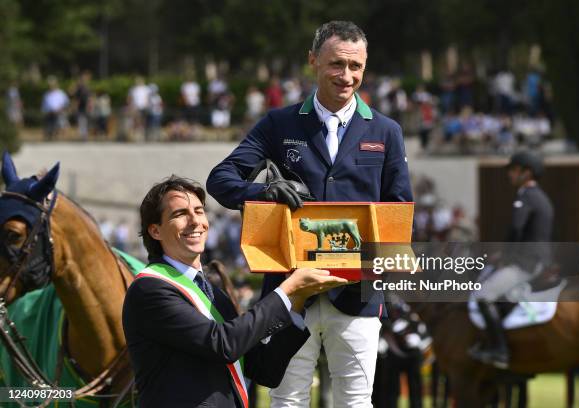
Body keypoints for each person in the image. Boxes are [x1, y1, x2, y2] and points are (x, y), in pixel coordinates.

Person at [206, 20, 413, 407]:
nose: (347, 76)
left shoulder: (387, 131)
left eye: (356, 67)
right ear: (313, 60)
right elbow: (220, 180)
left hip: (358, 296)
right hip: (287, 292)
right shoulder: (277, 123)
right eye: (337, 64)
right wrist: (264, 191)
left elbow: (398, 212)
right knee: (287, 402)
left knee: (355, 403)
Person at [122, 176, 347, 408]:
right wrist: (286, 289)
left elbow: (264, 369)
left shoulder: (213, 293)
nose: (195, 221)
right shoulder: (150, 289)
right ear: (155, 231)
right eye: (180, 214)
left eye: (199, 211)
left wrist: (297, 299)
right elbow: (222, 344)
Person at [470, 151, 554, 369]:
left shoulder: (525, 196)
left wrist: (505, 256)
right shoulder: (543, 197)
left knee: (483, 296)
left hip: (525, 263)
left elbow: (517, 229)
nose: (510, 174)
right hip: (538, 260)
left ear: (526, 173)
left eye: (514, 170)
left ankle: (500, 351)